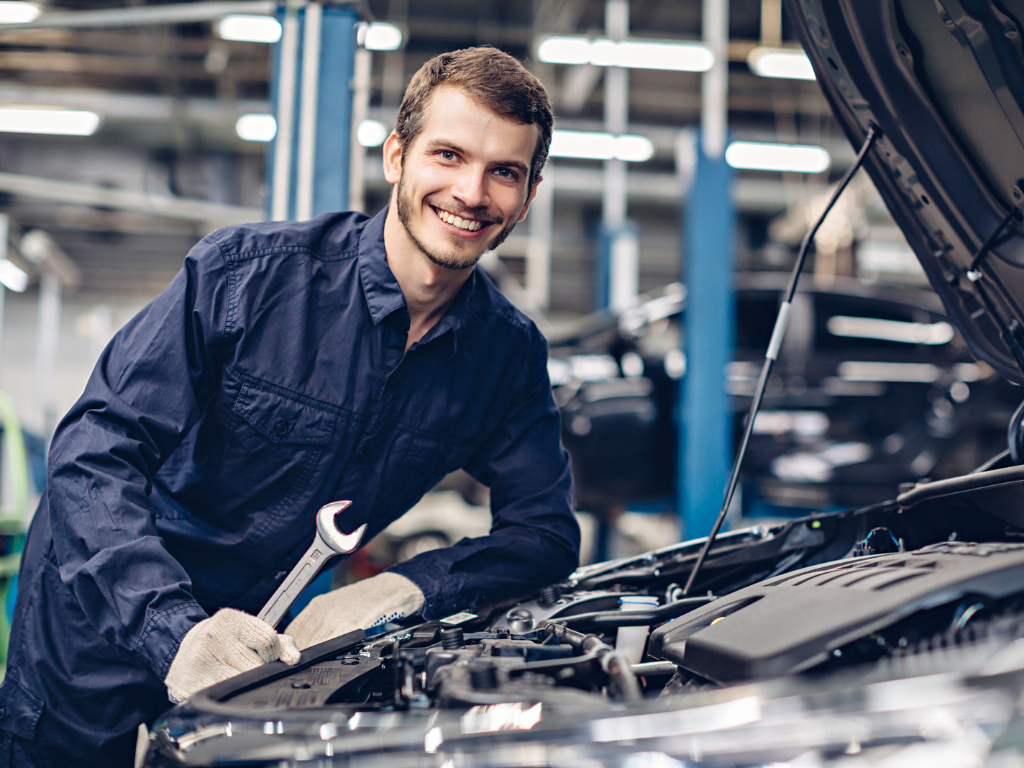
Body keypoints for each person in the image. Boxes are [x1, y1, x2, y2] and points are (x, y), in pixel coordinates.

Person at [0, 46, 579, 767]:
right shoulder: (246, 278)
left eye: (504, 172)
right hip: (103, 623)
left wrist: (401, 589)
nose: (471, 191)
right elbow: (92, 449)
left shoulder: (506, 355)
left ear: (528, 194)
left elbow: (545, 535)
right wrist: (171, 628)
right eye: (449, 155)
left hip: (270, 649)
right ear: (397, 156)